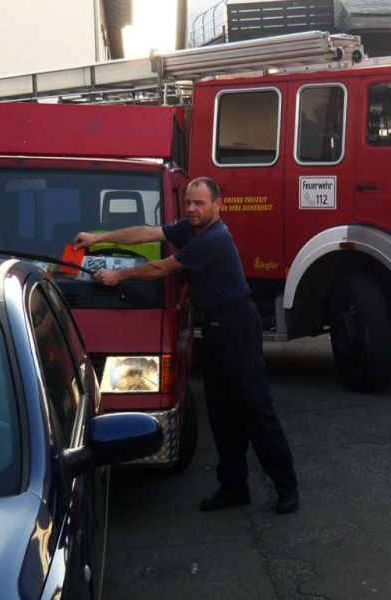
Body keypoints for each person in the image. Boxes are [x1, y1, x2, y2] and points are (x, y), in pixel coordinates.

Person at [74, 177, 299, 514]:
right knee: (222, 413)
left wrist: (118, 276)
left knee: (256, 410)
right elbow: (147, 232)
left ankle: (287, 488)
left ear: (217, 205)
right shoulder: (189, 228)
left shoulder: (214, 239)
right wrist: (99, 237)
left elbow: (163, 267)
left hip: (238, 327)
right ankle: (234, 487)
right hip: (215, 328)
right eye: (190, 202)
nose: (193, 208)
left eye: (200, 203)